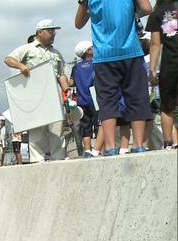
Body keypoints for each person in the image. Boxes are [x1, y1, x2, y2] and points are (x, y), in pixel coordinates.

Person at [75, 0, 153, 155]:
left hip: (104, 54)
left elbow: (78, 23)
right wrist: (130, 14)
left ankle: (110, 147)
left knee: (107, 100)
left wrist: (83, 4)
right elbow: (146, 8)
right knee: (136, 97)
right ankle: (138, 145)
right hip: (131, 50)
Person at [5, 19, 72, 162]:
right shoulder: (28, 48)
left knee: (57, 127)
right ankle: (37, 158)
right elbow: (9, 59)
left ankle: (57, 156)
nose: (53, 34)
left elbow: (61, 74)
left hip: (53, 92)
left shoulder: (57, 53)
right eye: (50, 31)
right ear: (40, 32)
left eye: (54, 31)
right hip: (35, 93)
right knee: (36, 127)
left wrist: (66, 89)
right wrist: (21, 66)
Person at [147, 0, 178, 149]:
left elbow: (155, 44)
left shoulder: (156, 14)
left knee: (167, 106)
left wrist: (152, 70)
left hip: (170, 65)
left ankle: (168, 144)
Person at [70, 41, 101, 158]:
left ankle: (87, 150)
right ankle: (100, 149)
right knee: (99, 124)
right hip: (95, 97)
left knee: (85, 126)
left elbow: (71, 83)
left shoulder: (76, 67)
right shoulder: (95, 64)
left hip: (81, 99)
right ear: (88, 51)